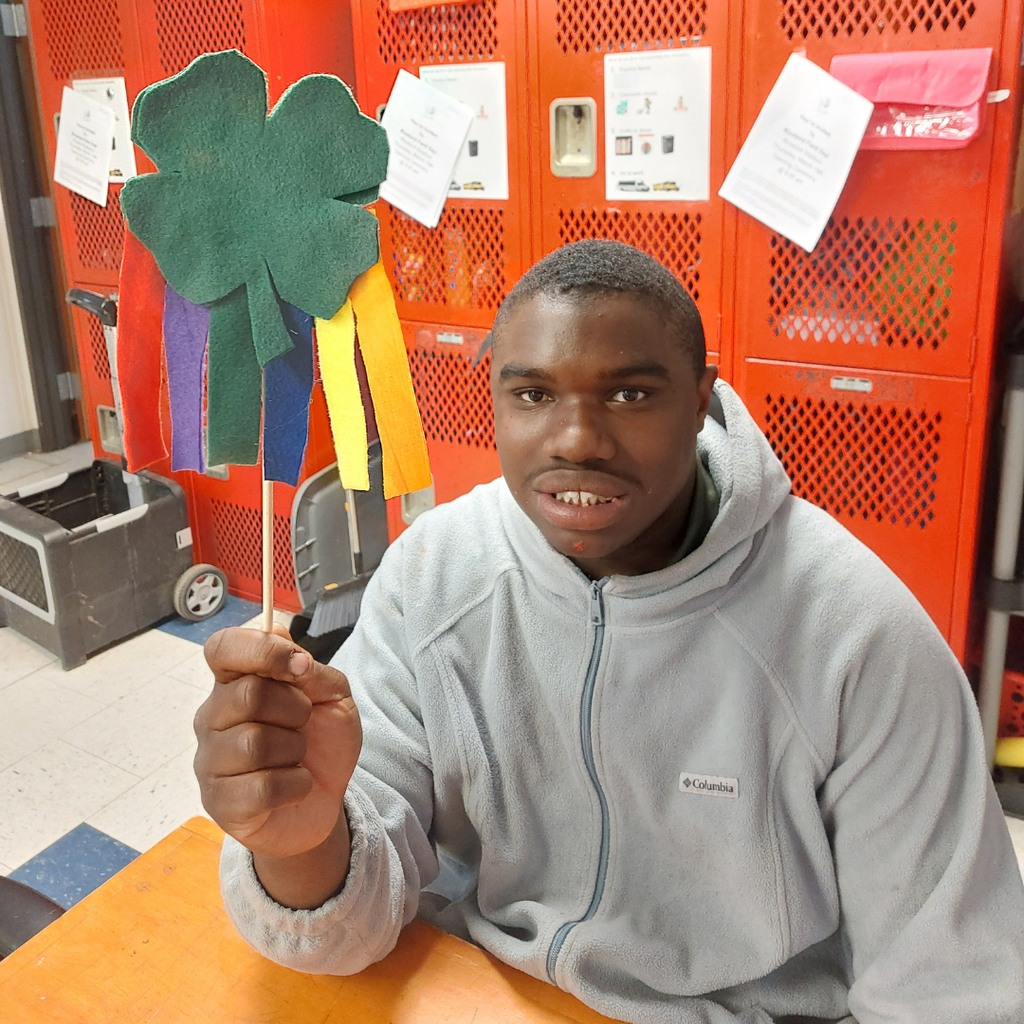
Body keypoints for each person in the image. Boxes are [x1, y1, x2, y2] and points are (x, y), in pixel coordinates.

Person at [194, 240, 1024, 1023]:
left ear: (701, 399)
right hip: (488, 992)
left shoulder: (857, 637)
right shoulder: (437, 576)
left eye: (629, 394)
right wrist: (301, 844)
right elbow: (355, 916)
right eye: (532, 394)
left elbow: (949, 989)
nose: (577, 440)